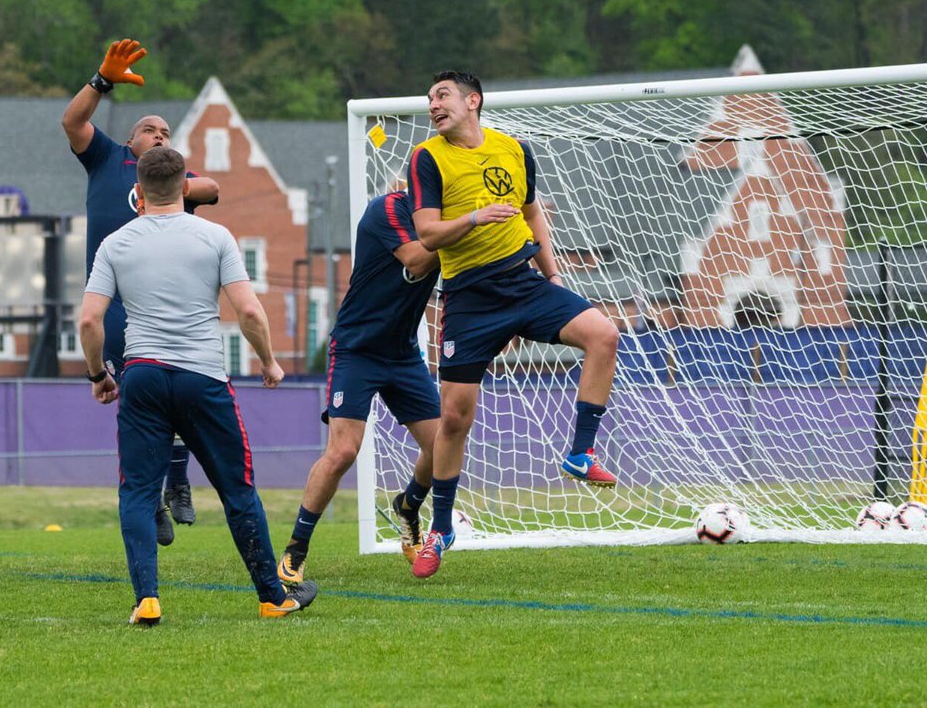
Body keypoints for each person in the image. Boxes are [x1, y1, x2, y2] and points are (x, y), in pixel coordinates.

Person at [79, 145, 316, 624]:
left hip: (141, 375)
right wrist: (269, 362)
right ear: (186, 187)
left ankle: (147, 598)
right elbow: (249, 311)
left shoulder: (115, 243)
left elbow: (89, 320)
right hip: (202, 376)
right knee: (237, 488)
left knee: (138, 492)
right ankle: (272, 597)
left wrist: (98, 374)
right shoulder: (215, 236)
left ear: (138, 191)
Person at [407, 71, 622, 579]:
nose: (434, 105)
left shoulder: (515, 149)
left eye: (442, 95)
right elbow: (427, 234)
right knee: (455, 418)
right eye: (430, 99)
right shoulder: (427, 157)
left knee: (604, 334)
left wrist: (552, 273)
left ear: (472, 101)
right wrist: (475, 219)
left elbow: (531, 212)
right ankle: (440, 527)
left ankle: (579, 452)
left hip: (523, 283)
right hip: (469, 300)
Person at [62, 38, 221, 542]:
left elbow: (214, 189)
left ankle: (178, 484)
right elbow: (72, 123)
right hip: (115, 304)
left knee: (179, 397)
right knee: (139, 402)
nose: (159, 136)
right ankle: (151, 493)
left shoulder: (174, 178)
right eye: (149, 130)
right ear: (130, 143)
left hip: (167, 307)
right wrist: (101, 81)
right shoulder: (108, 160)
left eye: (167, 133)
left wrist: (174, 187)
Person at [278, 189, 440, 584]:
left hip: (403, 354)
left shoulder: (447, 221)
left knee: (444, 446)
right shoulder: (388, 209)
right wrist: (471, 228)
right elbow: (417, 259)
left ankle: (408, 506)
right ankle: (295, 549)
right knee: (343, 451)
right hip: (357, 349)